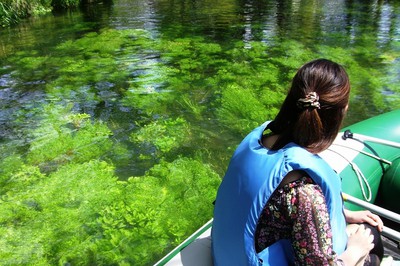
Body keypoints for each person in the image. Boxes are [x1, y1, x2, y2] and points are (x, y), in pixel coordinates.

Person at [211, 59, 384, 265]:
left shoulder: (258, 143)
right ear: (342, 111)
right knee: (371, 237)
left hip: (228, 256)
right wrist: (356, 250)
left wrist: (344, 214)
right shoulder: (305, 193)